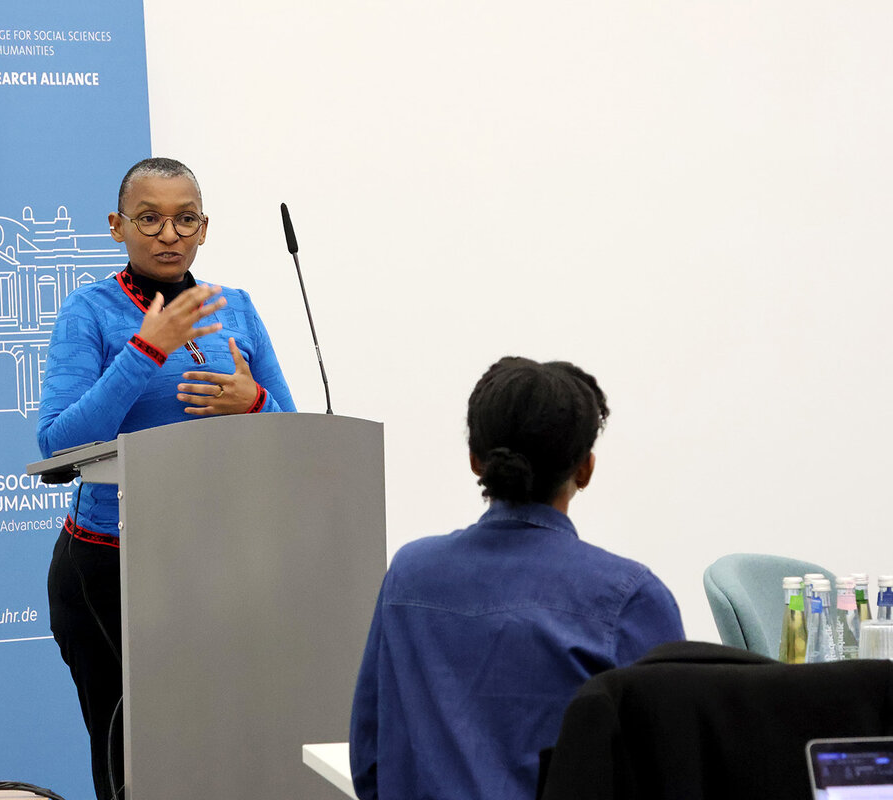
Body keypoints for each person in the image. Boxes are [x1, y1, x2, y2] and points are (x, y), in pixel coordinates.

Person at [37, 157, 295, 799]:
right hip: (111, 568)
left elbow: (293, 432)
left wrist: (253, 403)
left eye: (184, 219)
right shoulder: (89, 312)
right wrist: (145, 350)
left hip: (215, 566)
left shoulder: (236, 307)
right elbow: (57, 443)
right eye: (149, 218)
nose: (168, 234)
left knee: (218, 751)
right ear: (117, 226)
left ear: (204, 228)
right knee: (138, 760)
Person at [349, 356, 683, 800]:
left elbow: (369, 760)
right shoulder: (631, 599)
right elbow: (673, 773)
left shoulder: (409, 575)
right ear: (585, 468)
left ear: (475, 461)